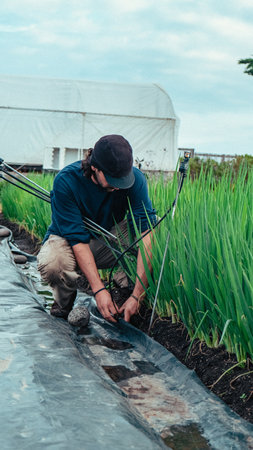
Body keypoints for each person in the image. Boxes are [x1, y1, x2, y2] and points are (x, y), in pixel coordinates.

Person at [37, 134, 156, 323]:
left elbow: (146, 233)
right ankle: (64, 303)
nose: (118, 187)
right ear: (94, 167)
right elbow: (78, 240)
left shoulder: (136, 180)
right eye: (112, 180)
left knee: (153, 235)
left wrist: (137, 295)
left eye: (122, 180)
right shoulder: (67, 181)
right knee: (54, 262)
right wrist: (98, 290)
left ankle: (123, 290)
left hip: (106, 238)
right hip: (69, 242)